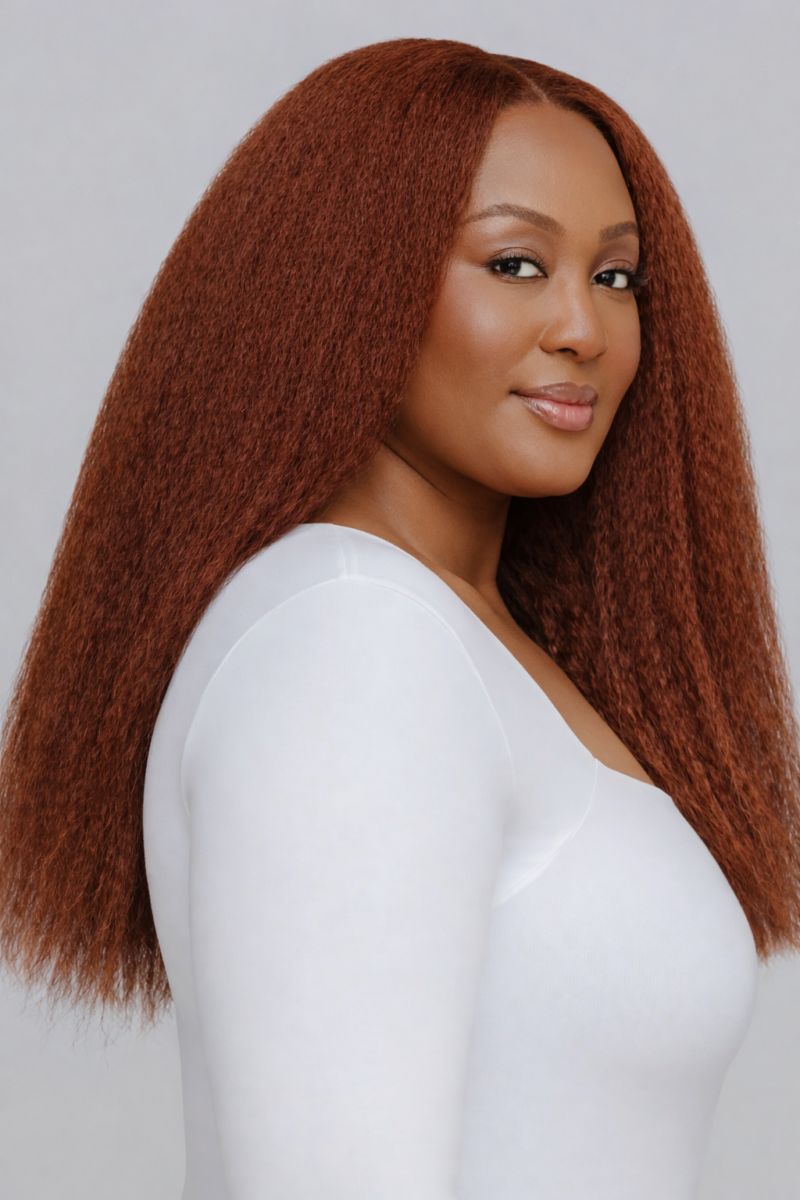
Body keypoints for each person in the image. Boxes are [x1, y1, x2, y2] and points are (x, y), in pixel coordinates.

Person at [1, 38, 799, 1200]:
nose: (583, 327)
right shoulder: (353, 641)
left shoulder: (466, 642)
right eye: (514, 263)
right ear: (349, 280)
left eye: (616, 277)